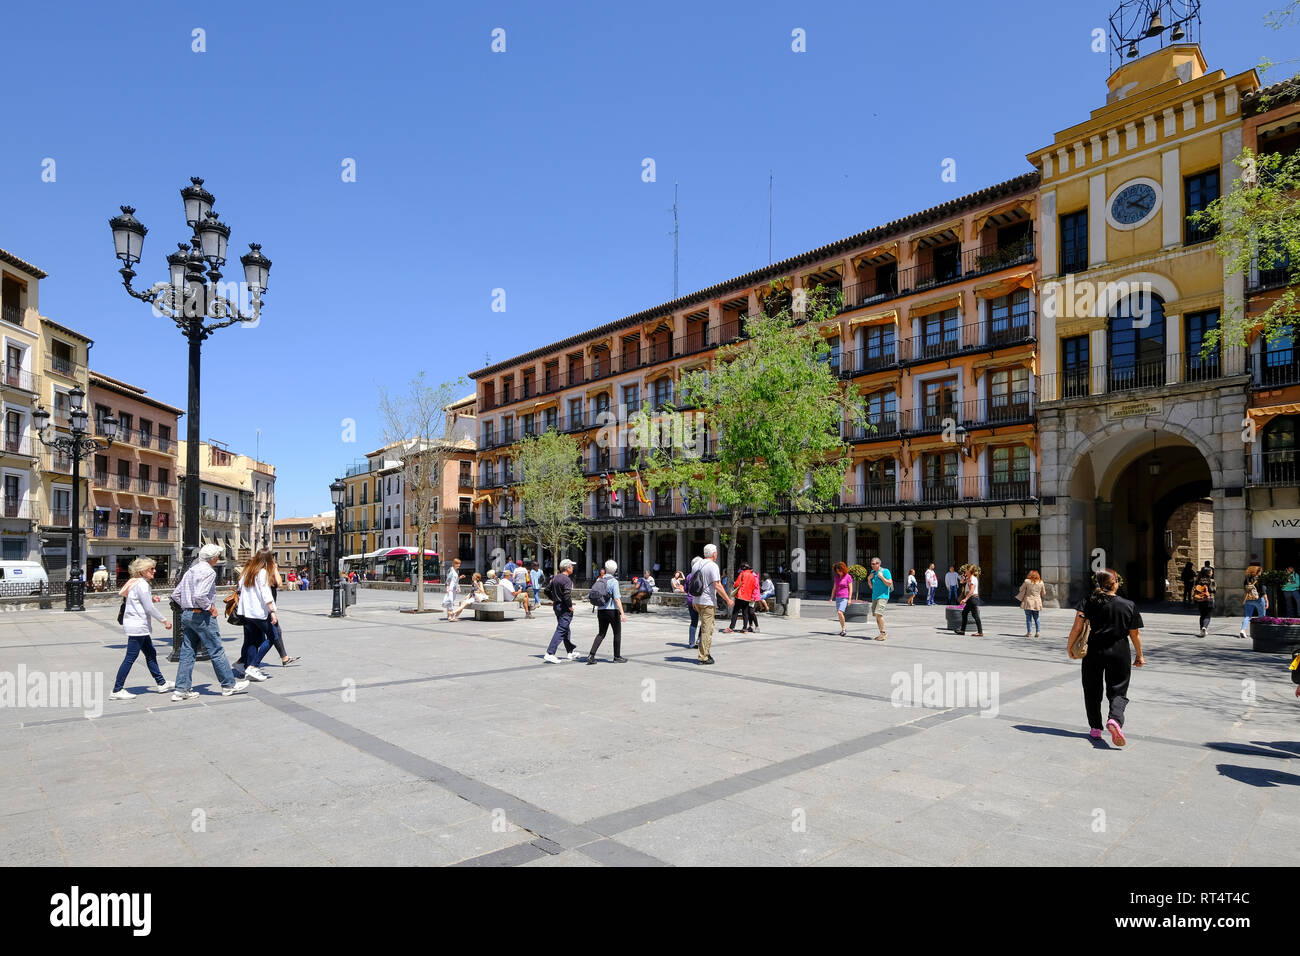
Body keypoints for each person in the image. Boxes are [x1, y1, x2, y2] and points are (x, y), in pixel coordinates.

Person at [1068, 568, 1145, 746]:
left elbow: (1077, 628)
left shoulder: (1088, 601)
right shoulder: (1128, 605)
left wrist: (1069, 647)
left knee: (1092, 689)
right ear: (1115, 582)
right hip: (1119, 651)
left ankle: (1095, 728)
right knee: (1118, 689)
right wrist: (1139, 655)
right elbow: (1135, 634)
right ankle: (1115, 720)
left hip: (1094, 650)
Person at [171, 545, 250, 700]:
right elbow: (201, 595)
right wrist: (210, 607)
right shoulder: (208, 572)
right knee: (216, 649)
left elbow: (176, 594)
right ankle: (228, 685)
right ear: (213, 558)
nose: (218, 558)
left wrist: (187, 606)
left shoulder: (190, 571)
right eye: (218, 555)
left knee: (187, 651)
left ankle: (181, 688)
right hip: (201, 615)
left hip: (187, 614)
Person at [109, 557, 174, 699]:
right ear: (143, 571)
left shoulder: (135, 583)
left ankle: (161, 683)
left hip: (137, 625)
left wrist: (151, 599)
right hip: (138, 626)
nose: (154, 571)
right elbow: (148, 608)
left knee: (151, 653)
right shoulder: (142, 585)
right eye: (151, 569)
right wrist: (164, 621)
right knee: (130, 658)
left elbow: (139, 601)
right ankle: (117, 690)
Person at [234, 550, 279, 683]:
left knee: (252, 640)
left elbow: (240, 589)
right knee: (273, 636)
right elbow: (266, 593)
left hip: (246, 612)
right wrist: (272, 611)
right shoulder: (262, 572)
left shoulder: (247, 572)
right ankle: (254, 665)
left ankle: (246, 665)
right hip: (258, 612)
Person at [694, 544, 732, 665]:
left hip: (697, 600)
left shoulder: (696, 564)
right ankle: (703, 656)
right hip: (707, 601)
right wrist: (728, 599)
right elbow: (717, 585)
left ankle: (705, 651)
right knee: (707, 629)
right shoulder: (713, 566)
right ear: (714, 554)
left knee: (704, 626)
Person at [586, 559, 627, 664]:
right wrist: (622, 613)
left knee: (601, 633)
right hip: (612, 610)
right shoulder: (614, 581)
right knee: (617, 633)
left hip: (601, 610)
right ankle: (617, 657)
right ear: (615, 570)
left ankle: (591, 655)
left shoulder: (599, 579)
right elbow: (617, 599)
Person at [543, 558, 579, 663]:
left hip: (557, 606)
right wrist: (570, 606)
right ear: (567, 568)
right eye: (571, 566)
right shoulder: (567, 580)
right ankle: (550, 653)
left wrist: (554, 599)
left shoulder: (556, 578)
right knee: (561, 629)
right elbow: (567, 595)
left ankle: (570, 651)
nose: (573, 568)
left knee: (565, 628)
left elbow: (546, 590)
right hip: (564, 608)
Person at [674, 565, 701, 648]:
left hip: (690, 600)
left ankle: (691, 643)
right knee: (705, 621)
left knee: (694, 621)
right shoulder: (702, 574)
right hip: (700, 600)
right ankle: (700, 639)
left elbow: (685, 589)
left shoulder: (689, 576)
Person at [1240, 563, 1268, 640]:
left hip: (1249, 599)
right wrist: (1266, 601)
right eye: (1260, 571)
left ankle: (1243, 630)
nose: (1261, 573)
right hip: (1259, 599)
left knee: (1247, 616)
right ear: (1257, 572)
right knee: (1262, 616)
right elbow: (1263, 591)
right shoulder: (1260, 579)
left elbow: (1245, 589)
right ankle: (1262, 632)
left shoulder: (1247, 579)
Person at [867, 557, 892, 640]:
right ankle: (881, 633)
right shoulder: (873, 572)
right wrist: (869, 579)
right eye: (872, 564)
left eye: (875, 564)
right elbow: (871, 587)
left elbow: (889, 583)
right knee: (877, 616)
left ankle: (883, 633)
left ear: (879, 564)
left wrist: (881, 577)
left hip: (883, 596)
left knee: (878, 614)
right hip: (875, 596)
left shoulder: (885, 571)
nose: (873, 565)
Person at [1017, 569, 1046, 639]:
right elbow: (1043, 593)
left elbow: (1020, 589)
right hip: (1037, 602)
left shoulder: (1027, 581)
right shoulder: (1041, 582)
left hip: (1028, 601)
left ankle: (1029, 632)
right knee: (1037, 617)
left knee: (1028, 617)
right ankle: (1038, 632)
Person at [956, 565, 984, 637]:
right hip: (970, 599)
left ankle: (980, 632)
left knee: (975, 615)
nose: (965, 571)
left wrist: (965, 599)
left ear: (969, 571)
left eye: (966, 570)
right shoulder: (969, 578)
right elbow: (962, 582)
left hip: (972, 598)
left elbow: (971, 591)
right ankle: (962, 630)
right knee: (964, 613)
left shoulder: (973, 579)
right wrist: (963, 578)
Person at [830, 561, 853, 637]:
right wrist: (831, 598)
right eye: (837, 571)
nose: (839, 572)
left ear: (843, 569)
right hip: (838, 597)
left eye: (840, 571)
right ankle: (843, 629)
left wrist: (849, 599)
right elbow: (834, 588)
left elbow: (851, 588)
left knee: (840, 612)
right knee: (840, 614)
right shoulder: (836, 577)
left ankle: (843, 629)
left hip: (844, 597)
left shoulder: (848, 576)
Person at [1192, 568, 1214, 637]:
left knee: (1202, 615)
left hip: (1200, 600)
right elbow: (1213, 590)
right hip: (1209, 599)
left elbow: (1195, 588)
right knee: (1208, 615)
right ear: (1208, 573)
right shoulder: (1211, 581)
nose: (1212, 573)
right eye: (1211, 572)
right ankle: (1205, 627)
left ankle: (1201, 630)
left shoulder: (1198, 581)